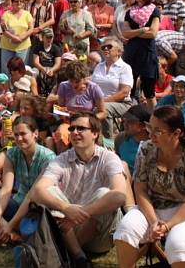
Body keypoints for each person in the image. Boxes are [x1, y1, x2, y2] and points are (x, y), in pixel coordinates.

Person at [29, 112, 126, 267]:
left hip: (98, 237)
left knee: (105, 193)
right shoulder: (62, 159)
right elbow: (37, 191)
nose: (74, 132)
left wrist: (80, 214)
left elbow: (120, 195)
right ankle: (79, 257)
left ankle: (65, 252)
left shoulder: (108, 158)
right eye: (72, 128)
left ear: (95, 133)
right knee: (49, 191)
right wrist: (65, 208)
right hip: (68, 229)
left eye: (80, 128)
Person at [114, 105, 185, 268]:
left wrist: (166, 226)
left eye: (158, 130)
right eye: (150, 127)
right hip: (152, 207)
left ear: (176, 133)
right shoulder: (145, 149)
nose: (151, 134)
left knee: (178, 243)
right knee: (125, 230)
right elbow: (140, 189)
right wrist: (154, 222)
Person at [0, 116, 56, 241]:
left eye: (23, 134)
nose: (19, 138)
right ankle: (8, 233)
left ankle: (5, 231)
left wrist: (10, 224)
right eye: (16, 135)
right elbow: (6, 189)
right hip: (18, 202)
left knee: (32, 227)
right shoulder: (12, 154)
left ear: (35, 134)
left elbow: (33, 195)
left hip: (37, 208)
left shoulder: (48, 158)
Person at [122, 0, 161, 107]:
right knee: (129, 90)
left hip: (147, 54)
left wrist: (133, 33)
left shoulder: (154, 10)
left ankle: (154, 121)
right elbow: (125, 34)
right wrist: (141, 30)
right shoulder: (129, 12)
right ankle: (129, 120)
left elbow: (153, 33)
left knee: (149, 92)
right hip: (131, 53)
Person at [91, 36, 134, 138]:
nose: (105, 49)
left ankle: (108, 143)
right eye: (103, 47)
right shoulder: (99, 66)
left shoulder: (125, 68)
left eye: (109, 46)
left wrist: (102, 101)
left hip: (122, 103)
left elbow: (124, 92)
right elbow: (91, 86)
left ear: (119, 52)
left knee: (104, 108)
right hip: (99, 102)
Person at [0, 0, 34, 74]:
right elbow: (3, 29)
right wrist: (14, 38)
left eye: (21, 1)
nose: (19, 3)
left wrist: (20, 38)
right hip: (7, 46)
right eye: (16, 1)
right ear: (12, 2)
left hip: (23, 46)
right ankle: (7, 86)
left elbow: (31, 28)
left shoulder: (27, 14)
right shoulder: (6, 14)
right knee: (6, 70)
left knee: (21, 70)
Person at [31, 27, 63, 96]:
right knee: (33, 73)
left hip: (52, 68)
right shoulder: (37, 47)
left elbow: (58, 64)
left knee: (58, 75)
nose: (49, 39)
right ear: (42, 37)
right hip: (40, 67)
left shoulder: (56, 48)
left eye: (51, 37)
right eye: (47, 37)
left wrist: (52, 70)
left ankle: (53, 95)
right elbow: (36, 62)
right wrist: (42, 69)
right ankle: (36, 96)